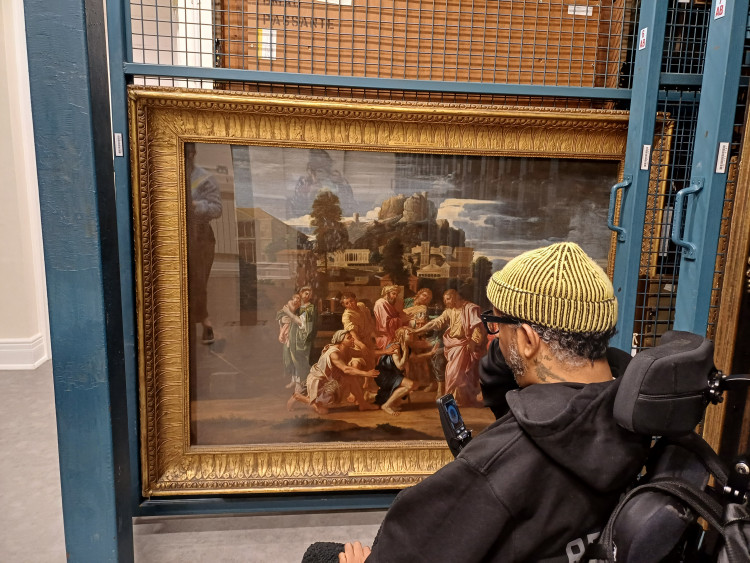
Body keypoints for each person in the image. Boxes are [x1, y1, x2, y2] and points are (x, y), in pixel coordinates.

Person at [337, 242, 650, 562]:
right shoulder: (640, 415)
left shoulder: (498, 460)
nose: (495, 338)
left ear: (528, 340)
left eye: (497, 325)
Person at [414, 289, 485, 407]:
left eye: (447, 299)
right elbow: (436, 322)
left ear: (454, 297)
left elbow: (477, 328)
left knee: (455, 373)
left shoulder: (470, 308)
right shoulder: (449, 311)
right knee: (452, 373)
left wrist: (473, 342)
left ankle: (454, 399)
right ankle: (458, 399)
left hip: (464, 345)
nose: (446, 302)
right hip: (452, 345)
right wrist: (418, 331)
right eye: (444, 300)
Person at [288, 330, 380, 414]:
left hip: (331, 379)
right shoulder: (334, 353)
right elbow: (346, 369)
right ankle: (299, 396)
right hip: (319, 381)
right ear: (341, 341)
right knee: (323, 410)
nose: (353, 339)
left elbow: (367, 354)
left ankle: (363, 404)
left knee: (351, 379)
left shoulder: (346, 350)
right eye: (349, 338)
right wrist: (366, 373)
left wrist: (386, 351)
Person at [185, 143, 222, 344]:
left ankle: (205, 323)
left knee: (198, 281)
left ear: (192, 154)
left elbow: (217, 208)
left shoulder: (204, 178)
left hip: (200, 236)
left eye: (188, 155)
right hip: (175, 234)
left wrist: (195, 205)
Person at [288, 286, 317, 394]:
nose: (308, 295)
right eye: (306, 293)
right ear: (300, 294)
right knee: (294, 358)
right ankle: (298, 383)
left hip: (304, 337)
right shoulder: (298, 306)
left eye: (310, 293)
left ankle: (303, 385)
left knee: (303, 359)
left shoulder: (311, 308)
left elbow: (308, 324)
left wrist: (307, 336)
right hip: (294, 335)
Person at [277, 293, 302, 389]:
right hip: (287, 337)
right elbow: (282, 324)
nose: (296, 300)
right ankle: (293, 380)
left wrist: (281, 334)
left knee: (295, 359)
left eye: (298, 299)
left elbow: (289, 323)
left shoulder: (295, 312)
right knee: (289, 360)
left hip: (293, 337)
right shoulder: (286, 308)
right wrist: (282, 334)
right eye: (295, 298)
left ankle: (298, 382)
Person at [373, 285, 409, 350]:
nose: (395, 296)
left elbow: (396, 316)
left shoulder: (389, 303)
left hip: (392, 332)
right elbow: (385, 324)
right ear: (387, 293)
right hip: (384, 334)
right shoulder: (380, 303)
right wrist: (401, 320)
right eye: (393, 294)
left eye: (396, 294)